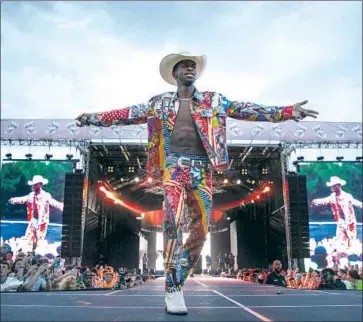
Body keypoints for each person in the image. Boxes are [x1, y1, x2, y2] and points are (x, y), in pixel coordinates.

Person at [76, 52, 318, 315]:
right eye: (184, 66)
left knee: (201, 232)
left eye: (193, 66)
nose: (190, 69)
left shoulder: (214, 100)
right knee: (172, 223)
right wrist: (93, 117)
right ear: (175, 74)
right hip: (173, 169)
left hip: (202, 171)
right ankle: (172, 287)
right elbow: (125, 113)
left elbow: (249, 110)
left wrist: (287, 111)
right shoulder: (158, 103)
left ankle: (177, 279)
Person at [8, 175, 64, 250]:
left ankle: (36, 252)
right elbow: (23, 199)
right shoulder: (31, 195)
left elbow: (53, 202)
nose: (33, 186)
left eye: (36, 184)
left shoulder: (45, 195)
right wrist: (14, 200)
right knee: (28, 237)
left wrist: (62, 206)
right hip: (33, 220)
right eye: (33, 185)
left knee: (39, 239)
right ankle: (27, 252)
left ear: (40, 185)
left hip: (42, 222)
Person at [311, 176, 362, 246]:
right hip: (340, 221)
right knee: (340, 241)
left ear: (339, 185)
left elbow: (355, 202)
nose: (333, 187)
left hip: (350, 222)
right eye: (332, 186)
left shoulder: (347, 196)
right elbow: (325, 200)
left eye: (334, 186)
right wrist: (317, 202)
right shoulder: (332, 197)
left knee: (351, 241)